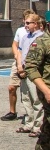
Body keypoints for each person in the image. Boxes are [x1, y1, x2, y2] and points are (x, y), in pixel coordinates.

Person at [0, 9, 34, 121]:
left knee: (29, 90)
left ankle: (31, 113)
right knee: (11, 87)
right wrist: (16, 55)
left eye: (29, 21)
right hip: (18, 61)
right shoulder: (20, 30)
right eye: (25, 20)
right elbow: (14, 44)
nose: (26, 23)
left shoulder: (35, 31)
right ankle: (12, 112)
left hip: (30, 62)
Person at [15, 14, 45, 137]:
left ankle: (38, 126)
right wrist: (19, 66)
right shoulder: (25, 36)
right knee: (26, 98)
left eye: (28, 23)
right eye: (25, 23)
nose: (25, 25)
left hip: (35, 72)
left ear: (36, 24)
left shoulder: (42, 37)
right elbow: (20, 51)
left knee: (36, 99)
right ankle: (29, 123)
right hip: (23, 71)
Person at [25, 14, 50, 149]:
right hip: (48, 89)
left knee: (47, 130)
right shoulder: (41, 42)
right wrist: (46, 91)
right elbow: (30, 67)